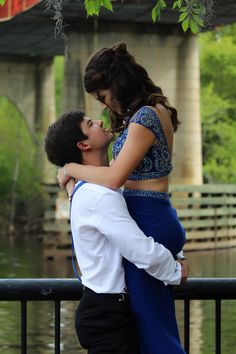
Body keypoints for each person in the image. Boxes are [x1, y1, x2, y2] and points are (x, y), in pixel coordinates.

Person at [57, 43, 188, 354]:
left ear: (117, 84)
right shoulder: (152, 113)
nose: (106, 108)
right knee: (152, 327)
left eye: (103, 98)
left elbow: (114, 177)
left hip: (148, 220)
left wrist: (71, 166)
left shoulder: (144, 118)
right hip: (151, 217)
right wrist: (75, 183)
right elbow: (116, 180)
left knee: (155, 333)